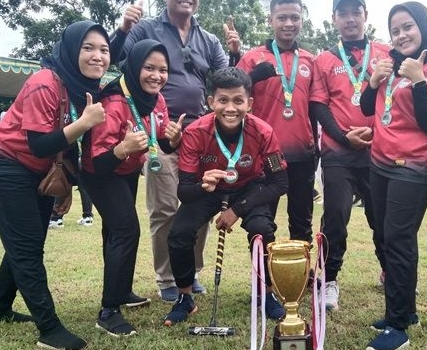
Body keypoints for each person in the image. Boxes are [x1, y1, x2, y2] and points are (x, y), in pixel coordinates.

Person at [0, 20, 109, 350]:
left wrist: (67, 181)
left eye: (104, 50)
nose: (98, 56)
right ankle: (49, 329)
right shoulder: (45, 83)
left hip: (36, 169)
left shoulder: (78, 85)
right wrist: (83, 124)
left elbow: (59, 147)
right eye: (88, 48)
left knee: (29, 241)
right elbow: (39, 144)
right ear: (70, 50)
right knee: (27, 248)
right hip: (8, 163)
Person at [111, 0, 241, 301]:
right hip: (159, 134)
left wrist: (235, 54)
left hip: (200, 138)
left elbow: (227, 82)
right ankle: (167, 278)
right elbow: (118, 58)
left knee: (200, 209)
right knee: (165, 210)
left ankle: (189, 271)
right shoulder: (146, 29)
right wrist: (122, 29)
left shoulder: (207, 39)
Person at [359, 2, 427, 349]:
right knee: (386, 236)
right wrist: (372, 82)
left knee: (399, 239)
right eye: (395, 30)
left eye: (408, 27)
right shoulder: (392, 66)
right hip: (380, 162)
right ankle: (404, 309)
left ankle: (397, 329)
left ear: (424, 26)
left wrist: (419, 80)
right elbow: (369, 109)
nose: (401, 35)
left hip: (413, 166)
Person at [162, 67, 287, 325]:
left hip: (249, 187)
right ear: (210, 102)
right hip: (210, 187)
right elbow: (184, 192)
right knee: (179, 233)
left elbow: (280, 183)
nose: (231, 108)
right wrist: (202, 186)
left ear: (249, 104)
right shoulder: (195, 132)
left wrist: (236, 210)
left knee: (262, 229)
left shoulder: (264, 132)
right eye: (223, 100)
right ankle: (185, 297)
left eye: (238, 101)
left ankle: (266, 294)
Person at [81, 39, 184, 337]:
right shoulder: (114, 103)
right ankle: (108, 311)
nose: (157, 76)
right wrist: (123, 148)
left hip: (125, 171)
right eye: (149, 68)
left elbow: (161, 141)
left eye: (163, 70)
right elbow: (97, 161)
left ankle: (122, 291)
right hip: (99, 173)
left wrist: (173, 138)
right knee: (126, 231)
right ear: (135, 67)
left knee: (115, 232)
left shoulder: (155, 98)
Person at [309, 0, 390, 311]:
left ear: (365, 16)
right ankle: (328, 280)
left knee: (381, 217)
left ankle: (390, 270)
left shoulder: (385, 52)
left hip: (378, 151)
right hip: (338, 153)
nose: (350, 19)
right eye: (343, 13)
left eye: (356, 12)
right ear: (334, 19)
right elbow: (319, 105)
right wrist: (343, 136)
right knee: (335, 217)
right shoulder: (324, 60)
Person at [236, 0, 316, 245]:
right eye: (282, 18)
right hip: (266, 155)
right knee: (262, 220)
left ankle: (298, 278)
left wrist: (317, 150)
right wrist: (251, 78)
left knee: (302, 221)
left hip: (302, 154)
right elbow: (230, 95)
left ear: (302, 20)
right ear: (270, 20)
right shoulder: (252, 57)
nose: (289, 23)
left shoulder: (310, 60)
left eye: (294, 17)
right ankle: (265, 280)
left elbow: (315, 107)